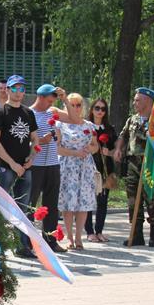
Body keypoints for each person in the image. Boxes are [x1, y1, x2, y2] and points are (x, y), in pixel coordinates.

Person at [0, 74, 38, 256]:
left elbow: (36, 139)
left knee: (23, 208)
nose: (19, 92)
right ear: (7, 90)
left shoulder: (28, 113)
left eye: (22, 89)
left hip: (25, 168)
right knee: (0, 207)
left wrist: (32, 157)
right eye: (15, 88)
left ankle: (22, 246)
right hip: (5, 167)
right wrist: (12, 163)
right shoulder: (0, 113)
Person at [114, 87, 154, 247]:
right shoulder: (132, 119)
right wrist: (119, 149)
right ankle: (136, 234)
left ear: (147, 101)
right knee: (133, 201)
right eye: (134, 100)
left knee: (152, 200)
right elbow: (123, 135)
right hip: (133, 165)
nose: (134, 103)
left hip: (150, 165)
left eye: (137, 100)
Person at [55, 93, 97, 249]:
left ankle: (79, 237)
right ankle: (70, 238)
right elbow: (57, 148)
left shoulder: (88, 125)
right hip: (68, 166)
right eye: (71, 105)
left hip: (85, 167)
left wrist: (90, 148)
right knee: (68, 203)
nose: (75, 108)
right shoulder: (60, 124)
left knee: (83, 203)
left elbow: (96, 145)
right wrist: (74, 153)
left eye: (78, 105)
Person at [29, 83, 67, 251]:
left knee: (51, 204)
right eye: (49, 101)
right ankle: (26, 241)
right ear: (41, 97)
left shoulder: (53, 113)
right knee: (30, 203)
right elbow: (24, 139)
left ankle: (50, 240)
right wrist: (37, 141)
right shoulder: (29, 113)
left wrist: (65, 99)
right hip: (35, 164)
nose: (51, 105)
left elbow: (75, 119)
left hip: (53, 163)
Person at [84, 98, 115, 242]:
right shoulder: (85, 126)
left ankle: (99, 231)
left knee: (102, 201)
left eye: (103, 109)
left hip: (105, 170)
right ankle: (89, 231)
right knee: (88, 200)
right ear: (92, 109)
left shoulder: (109, 128)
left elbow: (116, 149)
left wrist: (109, 152)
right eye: (97, 108)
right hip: (88, 168)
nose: (100, 111)